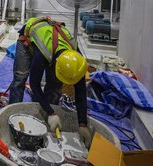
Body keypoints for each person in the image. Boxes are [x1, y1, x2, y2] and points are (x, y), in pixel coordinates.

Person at [9, 17, 93, 147]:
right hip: (27, 40)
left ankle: (46, 122)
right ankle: (12, 116)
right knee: (20, 78)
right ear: (57, 66)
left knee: (54, 87)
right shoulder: (43, 53)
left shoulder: (77, 62)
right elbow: (34, 85)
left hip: (53, 47)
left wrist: (82, 123)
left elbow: (81, 91)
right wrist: (51, 113)